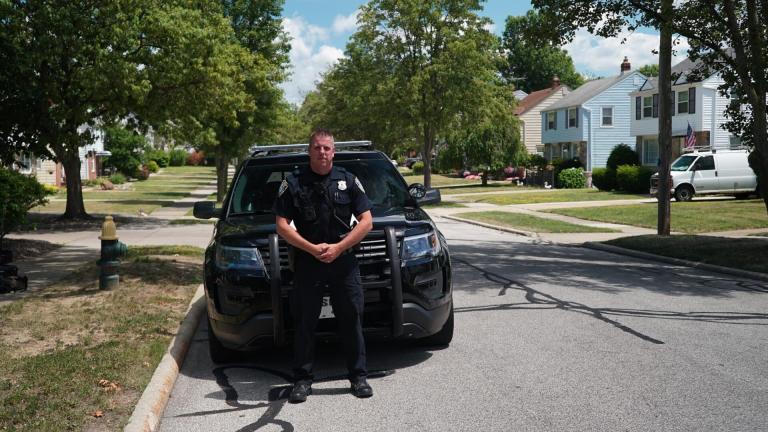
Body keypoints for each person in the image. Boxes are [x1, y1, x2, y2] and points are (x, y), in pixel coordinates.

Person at [273, 129, 374, 403]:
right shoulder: (293, 183)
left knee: (351, 319)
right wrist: (311, 248)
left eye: (327, 148)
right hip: (309, 262)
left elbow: (366, 221)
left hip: (344, 262)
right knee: (305, 322)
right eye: (317, 147)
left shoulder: (348, 180)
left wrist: (339, 247)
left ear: (334, 152)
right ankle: (302, 380)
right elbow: (281, 225)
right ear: (309, 151)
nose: (322, 152)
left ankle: (358, 377)